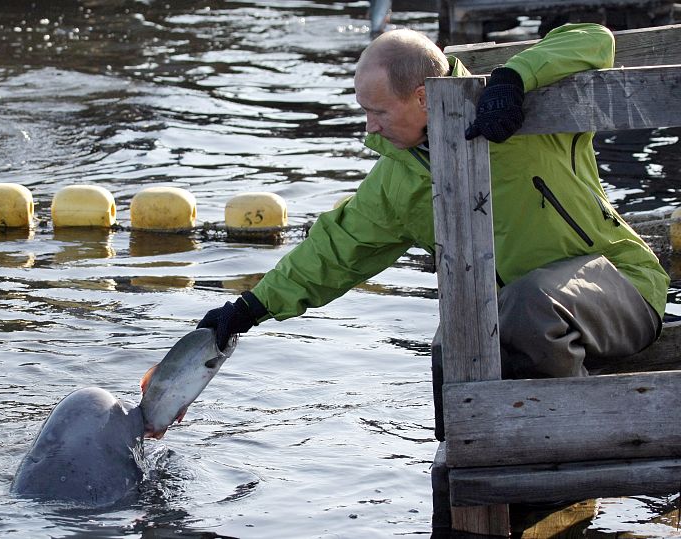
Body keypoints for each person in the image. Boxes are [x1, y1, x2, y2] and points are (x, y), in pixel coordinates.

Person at [198, 23, 669, 379]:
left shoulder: (523, 111)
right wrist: (247, 310)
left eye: (377, 111)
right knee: (451, 344)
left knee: (529, 305)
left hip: (621, 289)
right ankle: (473, 465)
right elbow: (333, 252)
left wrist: (512, 79)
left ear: (422, 98)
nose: (370, 127)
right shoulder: (396, 182)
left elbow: (593, 39)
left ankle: (568, 438)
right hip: (520, 321)